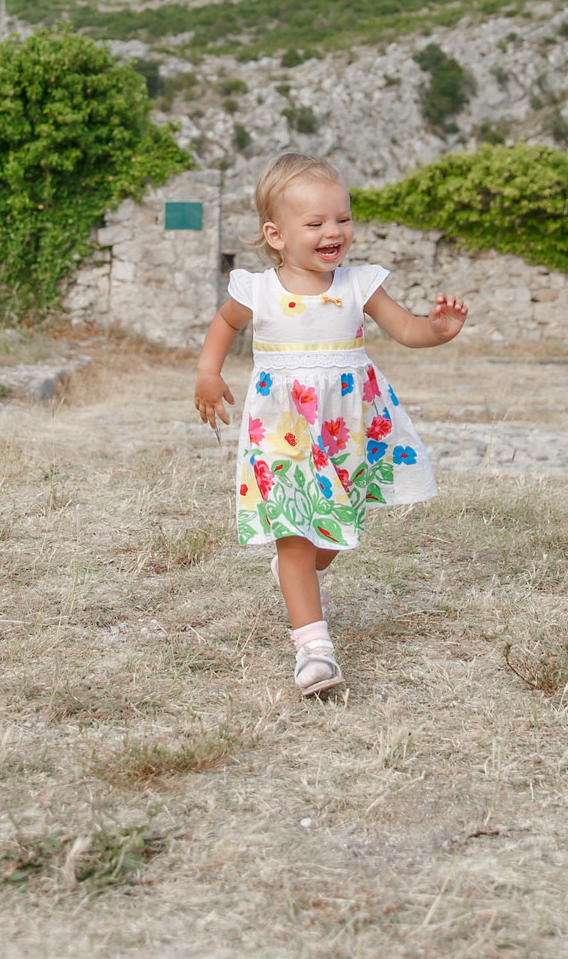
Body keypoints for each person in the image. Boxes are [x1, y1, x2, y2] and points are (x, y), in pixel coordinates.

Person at [194, 152, 468, 697]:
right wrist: (208, 371)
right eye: (315, 222)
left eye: (342, 218)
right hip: (283, 431)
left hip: (348, 429)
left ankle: (306, 577)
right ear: (276, 234)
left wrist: (438, 329)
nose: (333, 231)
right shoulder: (258, 289)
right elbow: (224, 324)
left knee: (339, 525)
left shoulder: (359, 283)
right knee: (294, 532)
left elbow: (408, 330)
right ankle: (314, 651)